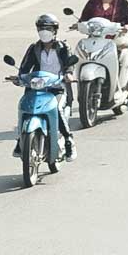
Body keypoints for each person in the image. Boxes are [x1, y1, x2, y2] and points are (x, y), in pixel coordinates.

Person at [17, 14, 78, 162]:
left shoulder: (63, 47)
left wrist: (68, 74)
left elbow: (69, 64)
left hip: (58, 87)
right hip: (37, 88)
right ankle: (20, 140)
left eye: (48, 29)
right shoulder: (34, 49)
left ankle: (69, 141)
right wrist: (19, 78)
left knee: (57, 108)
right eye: (41, 29)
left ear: (55, 30)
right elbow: (25, 67)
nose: (45, 32)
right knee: (24, 106)